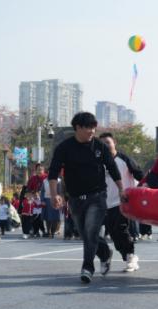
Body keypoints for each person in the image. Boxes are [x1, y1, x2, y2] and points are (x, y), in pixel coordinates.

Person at [49, 112, 124, 284]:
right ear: (77, 128)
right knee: (85, 233)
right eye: (88, 128)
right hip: (75, 198)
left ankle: (87, 267)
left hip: (97, 196)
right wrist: (55, 194)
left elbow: (112, 168)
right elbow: (53, 173)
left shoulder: (100, 146)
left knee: (91, 231)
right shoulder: (64, 147)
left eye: (93, 127)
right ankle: (105, 252)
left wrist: (121, 189)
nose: (92, 131)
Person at [99, 132, 144, 272]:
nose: (105, 146)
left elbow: (140, 175)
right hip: (104, 203)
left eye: (108, 142)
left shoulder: (124, 159)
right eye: (102, 144)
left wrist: (145, 190)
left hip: (122, 202)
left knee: (121, 230)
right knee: (111, 233)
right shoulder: (98, 162)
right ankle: (123, 255)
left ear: (114, 142)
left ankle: (131, 256)